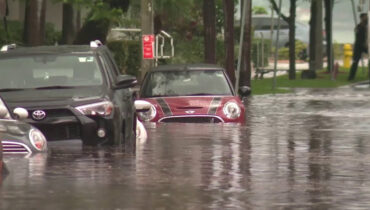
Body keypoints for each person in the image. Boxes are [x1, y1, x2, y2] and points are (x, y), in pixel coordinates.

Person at [348, 13, 368, 81]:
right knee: (355, 61)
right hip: (359, 46)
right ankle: (351, 77)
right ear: (361, 18)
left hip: (366, 45)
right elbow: (358, 36)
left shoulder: (367, 26)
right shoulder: (359, 27)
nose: (366, 18)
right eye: (365, 17)